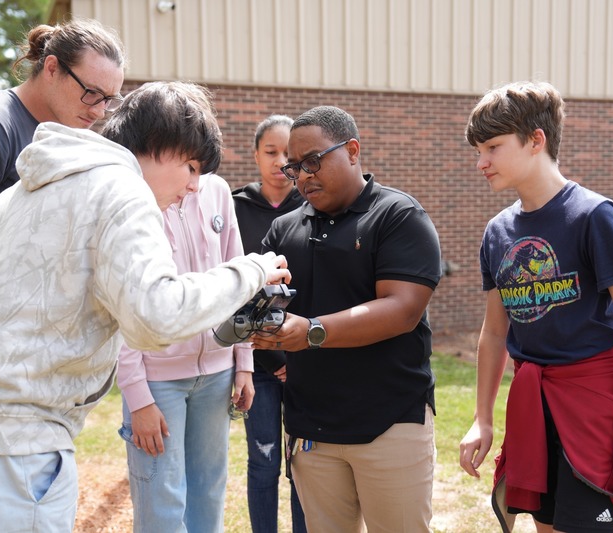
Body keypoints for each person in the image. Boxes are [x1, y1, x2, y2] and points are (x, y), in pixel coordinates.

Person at [0, 81, 291, 532]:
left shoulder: (48, 181)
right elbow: (156, 315)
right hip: (3, 442)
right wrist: (251, 273)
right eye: (191, 167)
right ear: (158, 146)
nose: (195, 186)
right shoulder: (123, 192)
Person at [457, 80, 613, 533]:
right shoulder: (496, 231)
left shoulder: (593, 216)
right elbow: (494, 332)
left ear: (536, 140)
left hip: (595, 404)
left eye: (492, 147)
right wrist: (481, 418)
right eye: (478, 149)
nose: (481, 161)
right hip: (533, 407)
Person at [251, 105, 442, 532]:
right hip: (311, 428)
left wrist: (312, 332)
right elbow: (262, 303)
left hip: (389, 423)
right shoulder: (283, 230)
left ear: (352, 150)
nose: (303, 176)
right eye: (295, 167)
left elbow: (402, 309)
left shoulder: (397, 216)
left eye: (314, 161)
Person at [0, 18, 126, 328]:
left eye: (109, 100)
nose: (98, 111)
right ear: (52, 68)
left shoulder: (67, 140)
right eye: (91, 93)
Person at [116, 170, 254, 532]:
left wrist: (244, 363)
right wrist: (138, 397)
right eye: (188, 163)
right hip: (157, 382)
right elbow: (122, 304)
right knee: (161, 499)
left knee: (209, 492)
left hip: (218, 374)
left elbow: (237, 276)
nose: (194, 179)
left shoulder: (219, 190)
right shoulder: (135, 193)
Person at [232, 115, 307, 533]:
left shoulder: (313, 206)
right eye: (270, 152)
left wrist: (293, 352)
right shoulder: (234, 206)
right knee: (262, 462)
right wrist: (262, 352)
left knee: (303, 465)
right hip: (255, 362)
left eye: (288, 154)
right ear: (256, 154)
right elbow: (231, 288)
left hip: (303, 359)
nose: (281, 162)